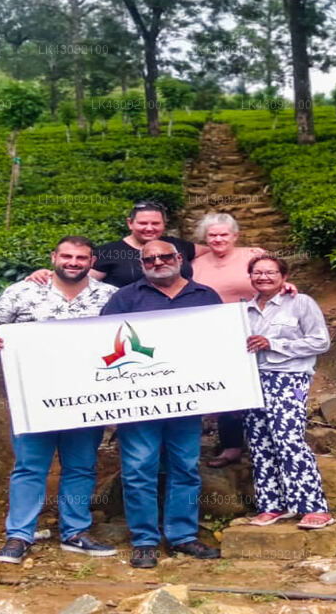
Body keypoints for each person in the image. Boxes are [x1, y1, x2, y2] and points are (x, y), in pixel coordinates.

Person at [0, 236, 120, 564]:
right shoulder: (23, 291)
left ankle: (75, 532)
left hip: (88, 396)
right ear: (53, 257)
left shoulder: (110, 297)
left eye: (81, 257)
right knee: (29, 466)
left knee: (81, 466)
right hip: (33, 395)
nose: (73, 262)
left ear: (91, 262)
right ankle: (19, 535)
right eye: (66, 256)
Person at [100, 239, 224, 568]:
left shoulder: (205, 296)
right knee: (139, 469)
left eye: (164, 256)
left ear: (179, 258)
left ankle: (183, 536)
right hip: (137, 402)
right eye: (149, 258)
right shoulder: (126, 297)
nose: (157, 261)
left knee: (185, 468)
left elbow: (219, 341)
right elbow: (100, 341)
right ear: (141, 264)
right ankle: (144, 540)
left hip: (186, 401)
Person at [241, 254, 335, 530]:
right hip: (251, 380)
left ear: (283, 277)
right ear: (250, 277)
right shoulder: (243, 310)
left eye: (270, 272)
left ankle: (313, 506)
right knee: (259, 442)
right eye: (257, 273)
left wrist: (274, 343)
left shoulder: (300, 303)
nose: (263, 277)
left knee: (288, 439)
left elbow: (320, 341)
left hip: (288, 379)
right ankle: (272, 505)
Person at [190, 212, 264, 469]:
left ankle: (263, 442)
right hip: (212, 333)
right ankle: (231, 445)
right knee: (227, 390)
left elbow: (274, 279)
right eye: (213, 235)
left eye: (224, 234)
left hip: (254, 329)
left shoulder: (253, 255)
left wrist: (288, 287)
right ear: (205, 238)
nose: (218, 239)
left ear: (235, 236)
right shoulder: (195, 262)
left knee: (260, 385)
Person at [27, 201, 201, 288]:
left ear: (164, 224)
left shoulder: (176, 245)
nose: (149, 228)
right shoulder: (109, 252)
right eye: (143, 223)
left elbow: (214, 252)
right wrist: (48, 274)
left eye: (156, 223)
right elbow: (79, 277)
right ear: (130, 223)